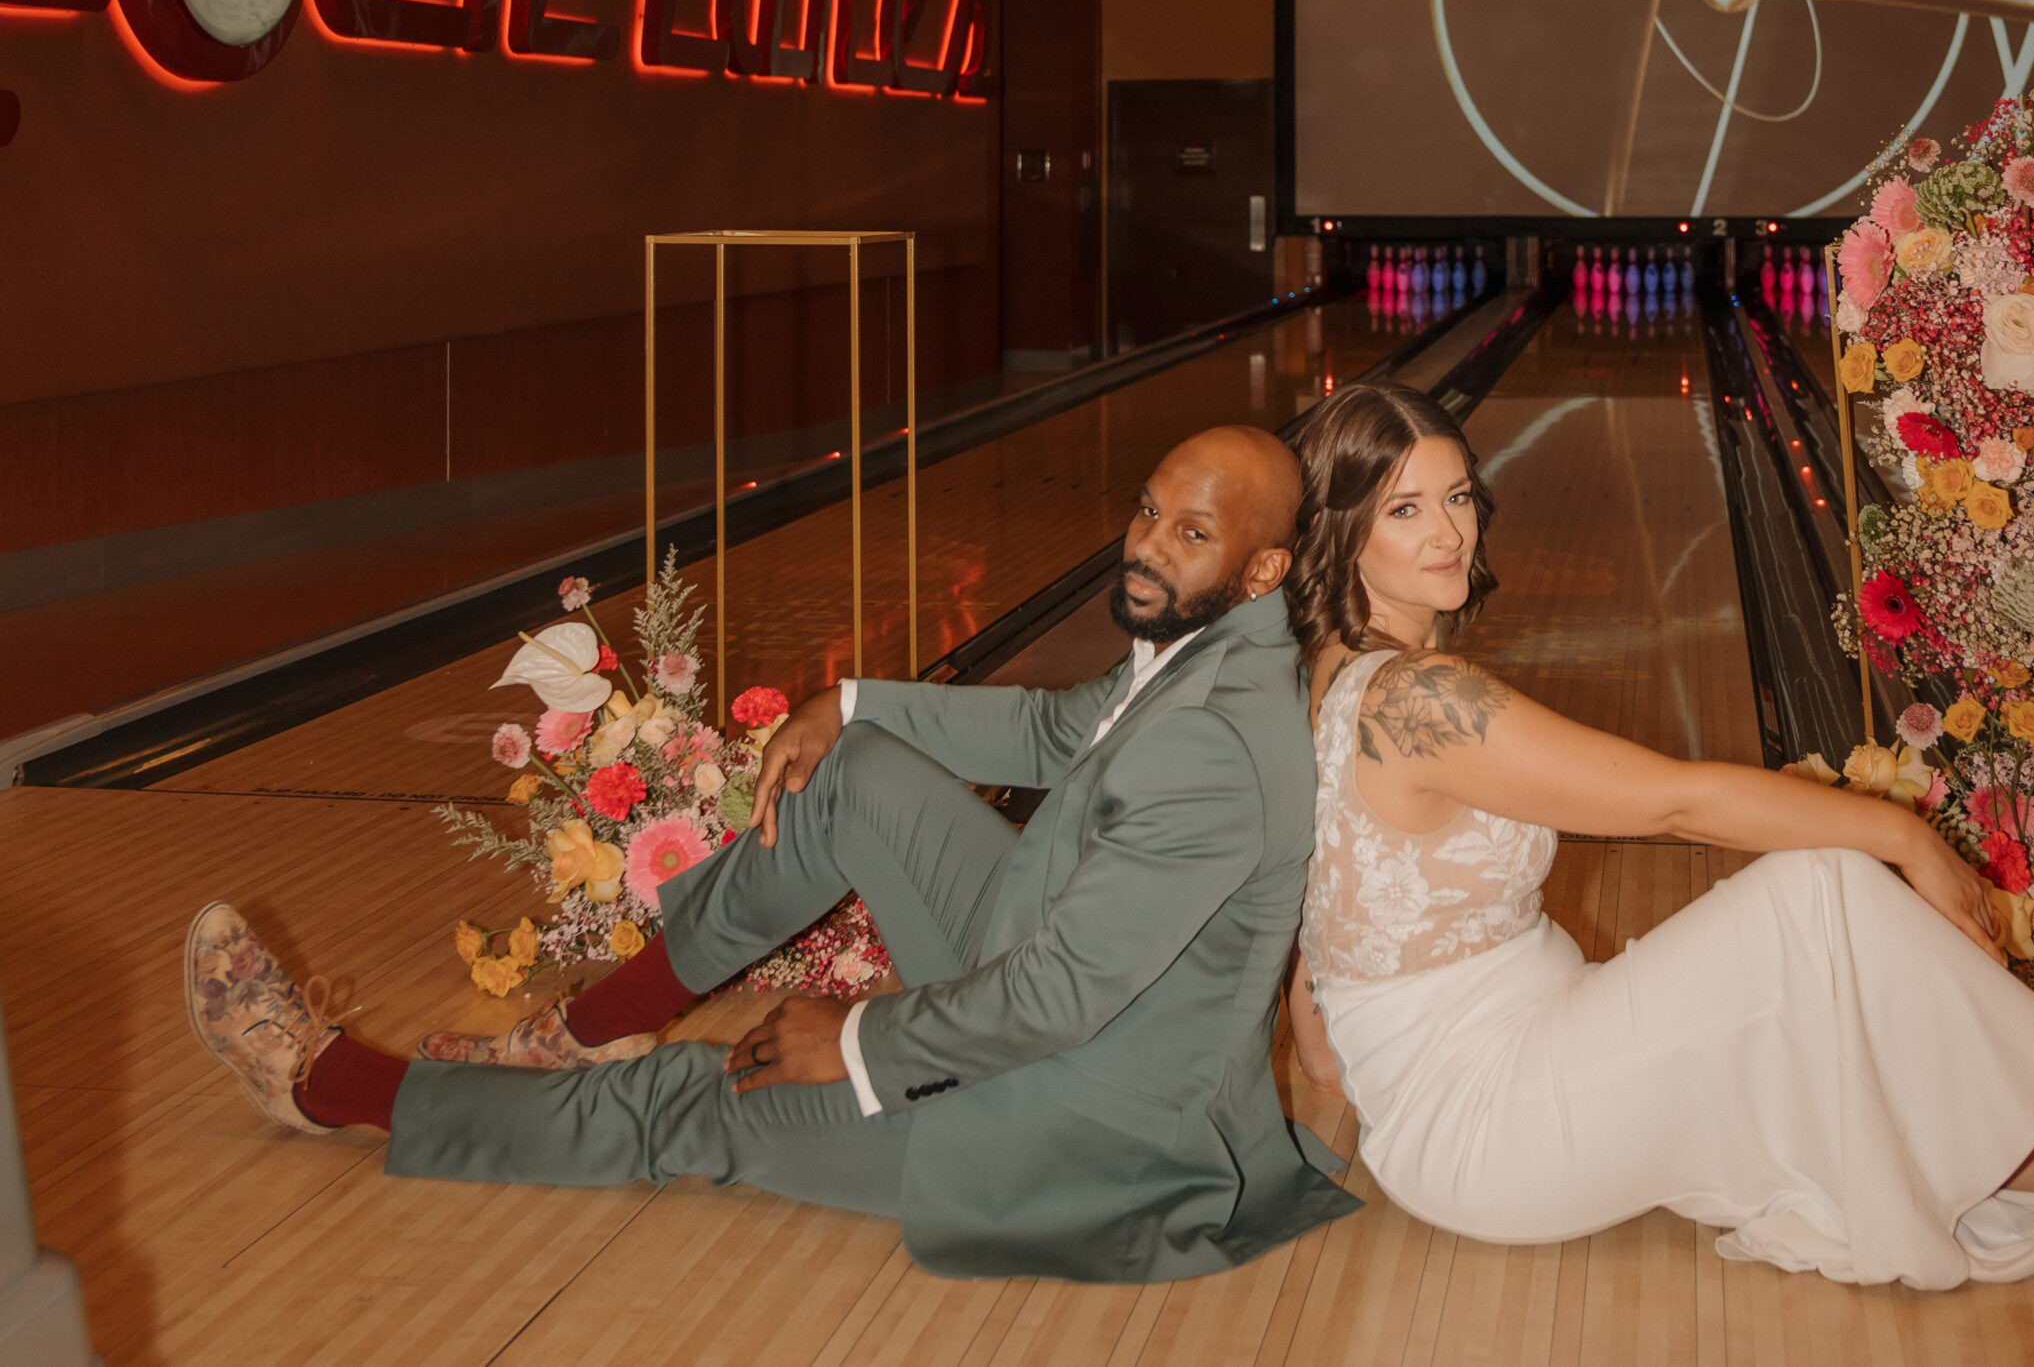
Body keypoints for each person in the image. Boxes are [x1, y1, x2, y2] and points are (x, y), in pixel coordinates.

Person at [1277, 382, 2034, 1287]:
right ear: (1341, 533)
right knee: (1823, 899)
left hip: (1516, 1073)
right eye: (1403, 510)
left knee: (1847, 1051)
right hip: (1503, 1115)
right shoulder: (1417, 705)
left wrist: (1319, 1128)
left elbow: (1313, 963)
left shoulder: (1326, 679)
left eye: (1456, 497)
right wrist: (1900, 836)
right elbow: (1678, 802)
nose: (1449, 532)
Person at [185, 424, 1360, 1283]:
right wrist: (850, 703)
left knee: (689, 1102)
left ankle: (335, 1089)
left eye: (1190, 532)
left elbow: (1053, 1001)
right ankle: (606, 1017)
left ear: (1259, 569)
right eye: (1149, 508)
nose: (1147, 546)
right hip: (1058, 974)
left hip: (1077, 1124)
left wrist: (852, 1039)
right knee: (851, 773)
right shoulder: (1212, 648)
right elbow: (1057, 729)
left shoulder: (1214, 747)